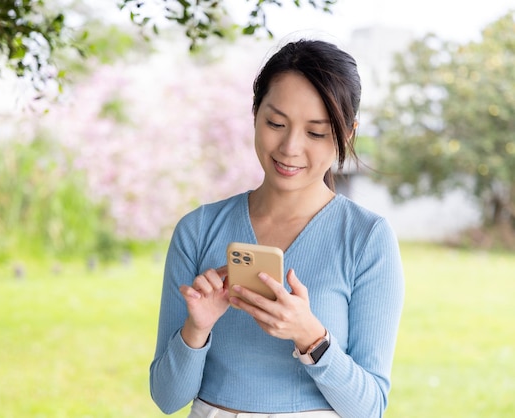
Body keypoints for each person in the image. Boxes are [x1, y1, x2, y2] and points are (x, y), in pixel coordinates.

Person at [149, 38, 405, 418]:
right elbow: (167, 399)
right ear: (255, 114)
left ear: (346, 134)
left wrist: (311, 337)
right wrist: (196, 328)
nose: (289, 147)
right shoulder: (198, 229)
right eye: (276, 123)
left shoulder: (367, 238)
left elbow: (370, 409)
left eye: (315, 132)